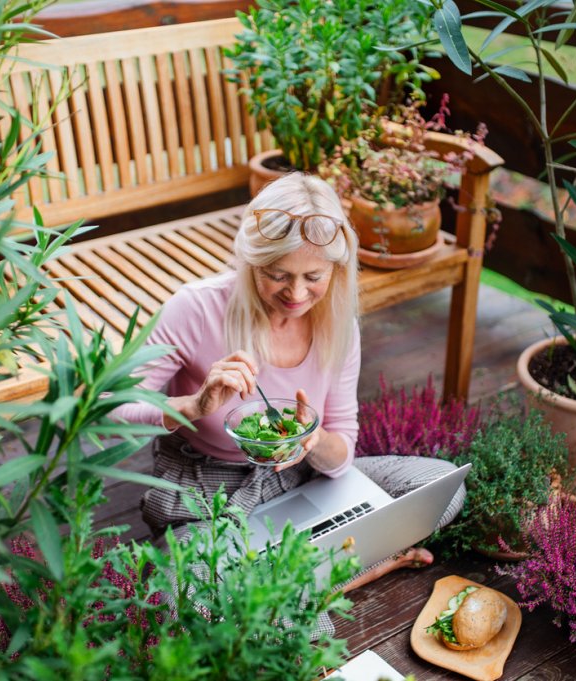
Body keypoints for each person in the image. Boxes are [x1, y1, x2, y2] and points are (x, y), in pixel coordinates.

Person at [112, 172, 465, 593]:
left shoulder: (338, 325)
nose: (296, 293)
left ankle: (280, 585)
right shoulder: (195, 309)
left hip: (301, 481)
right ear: (250, 261)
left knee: (441, 487)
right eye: (277, 275)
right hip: (207, 493)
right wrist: (191, 407)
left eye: (313, 276)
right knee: (180, 595)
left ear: (335, 268)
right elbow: (113, 409)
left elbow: (342, 454)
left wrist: (314, 443)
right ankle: (339, 578)